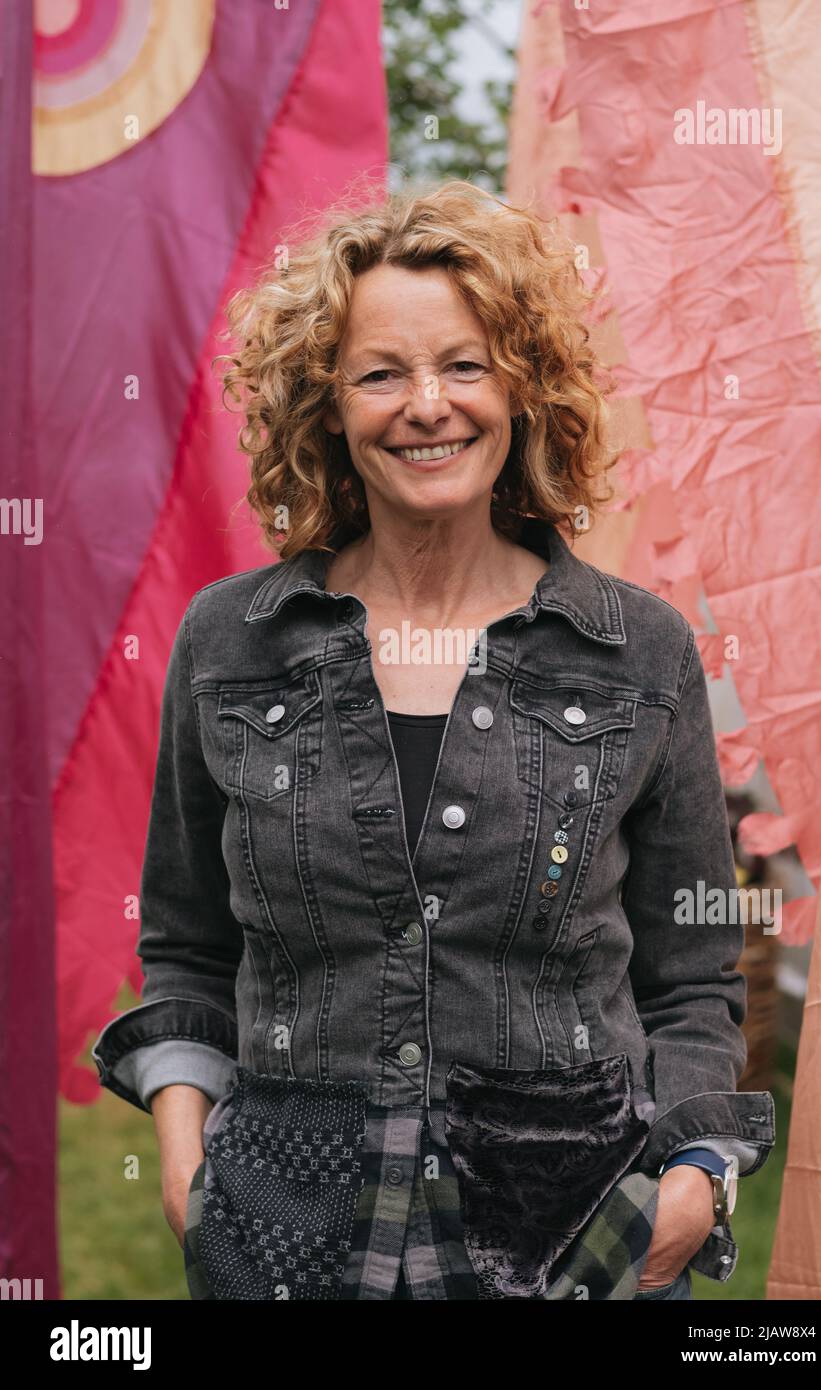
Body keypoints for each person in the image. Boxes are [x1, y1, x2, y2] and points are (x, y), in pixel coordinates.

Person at [92, 179, 775, 1301]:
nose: (426, 405)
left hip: (574, 1245)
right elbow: (186, 946)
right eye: (379, 372)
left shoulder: (637, 651)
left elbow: (690, 972)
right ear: (325, 405)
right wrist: (183, 1160)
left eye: (463, 364)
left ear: (520, 387)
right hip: (281, 1248)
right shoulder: (228, 642)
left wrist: (694, 1173)